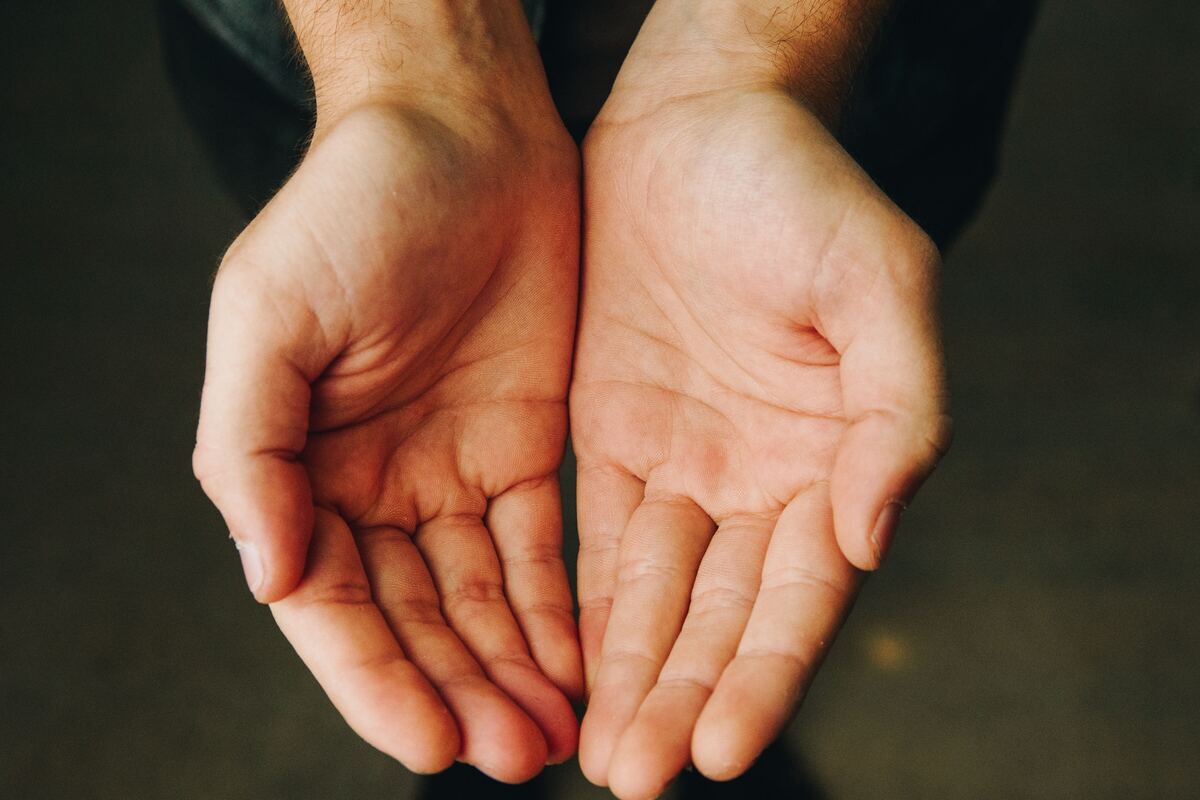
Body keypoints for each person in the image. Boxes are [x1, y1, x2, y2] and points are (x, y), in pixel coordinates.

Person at [174, 1, 1037, 796]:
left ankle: (670, 719)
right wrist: (409, 67)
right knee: (417, 443)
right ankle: (515, 715)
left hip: (843, 46)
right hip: (334, 45)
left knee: (755, 499)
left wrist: (749, 53)